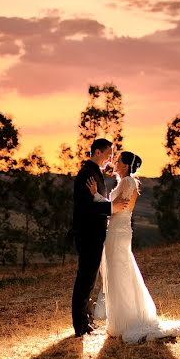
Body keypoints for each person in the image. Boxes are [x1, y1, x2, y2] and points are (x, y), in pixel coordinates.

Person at [87, 151, 180, 343]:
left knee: (119, 272)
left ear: (126, 166)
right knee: (120, 272)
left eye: (118, 160)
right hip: (119, 230)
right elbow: (120, 208)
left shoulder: (127, 182)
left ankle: (125, 321)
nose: (115, 162)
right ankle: (123, 319)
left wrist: (95, 195)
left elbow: (118, 208)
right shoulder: (128, 183)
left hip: (117, 232)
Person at [70, 138, 115, 336]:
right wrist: (112, 208)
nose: (110, 158)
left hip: (94, 234)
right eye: (108, 153)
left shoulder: (94, 172)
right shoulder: (87, 174)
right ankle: (80, 325)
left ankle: (86, 321)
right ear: (97, 152)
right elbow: (87, 208)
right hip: (88, 234)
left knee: (89, 279)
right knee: (85, 279)